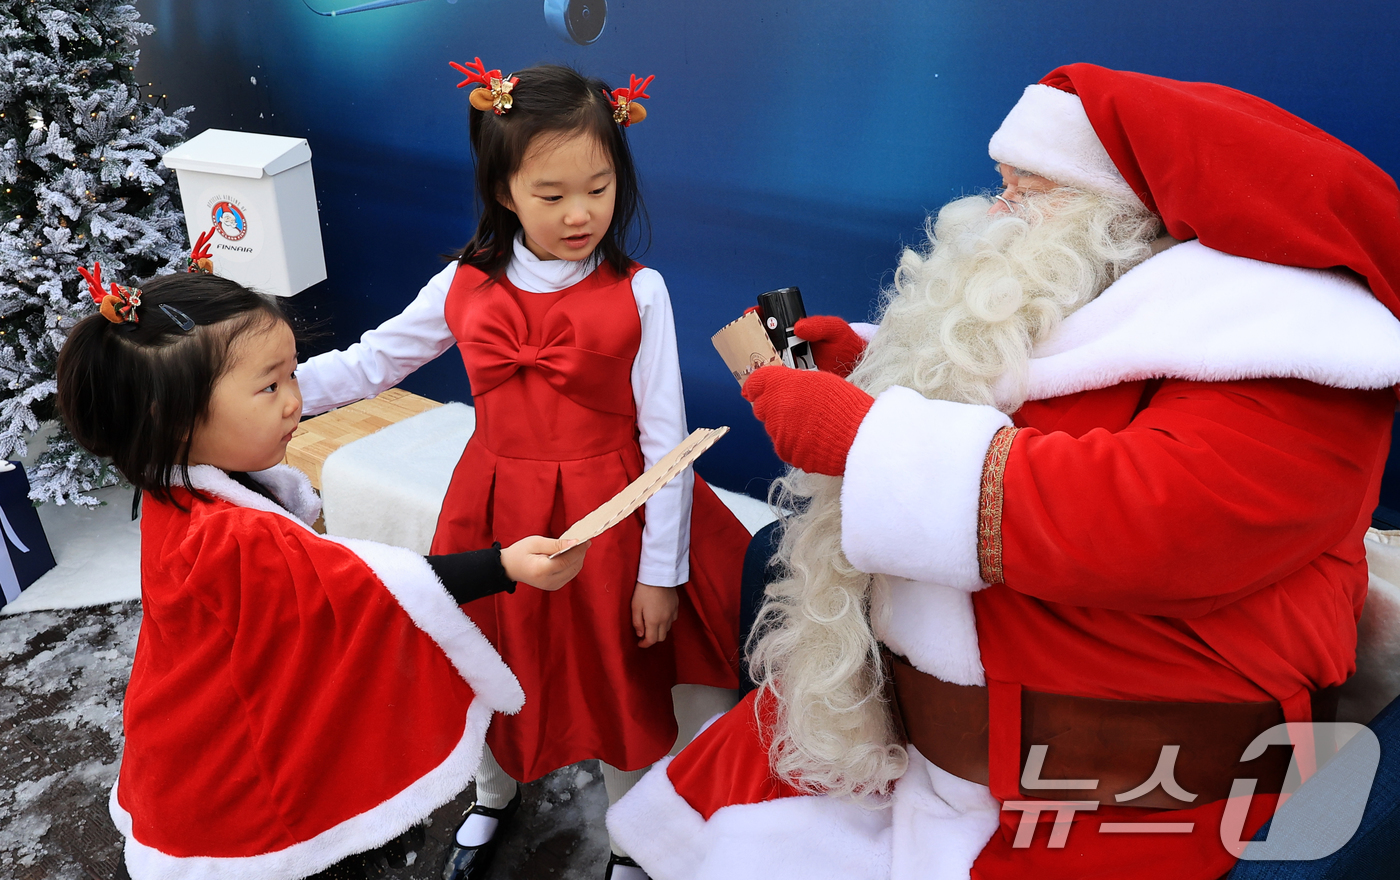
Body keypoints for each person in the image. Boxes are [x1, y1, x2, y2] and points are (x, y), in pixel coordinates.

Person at [607, 64, 1400, 880]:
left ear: (1121, 213)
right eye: (1004, 185)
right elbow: (1045, 391)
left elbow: (1161, 519)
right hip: (912, 758)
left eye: (1028, 190)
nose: (997, 212)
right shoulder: (1113, 283)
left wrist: (867, 436)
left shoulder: (1296, 349)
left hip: (1117, 807)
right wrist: (872, 369)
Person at [294, 60, 749, 880]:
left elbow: (668, 444)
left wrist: (659, 572)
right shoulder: (464, 282)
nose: (581, 214)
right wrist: (275, 395)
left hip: (610, 516)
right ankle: (492, 793)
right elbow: (370, 365)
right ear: (505, 190)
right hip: (494, 507)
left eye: (600, 188)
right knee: (492, 659)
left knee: (617, 674)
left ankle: (629, 836)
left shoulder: (641, 292)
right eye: (552, 194)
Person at [56, 265, 589, 879]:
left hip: (188, 732)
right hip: (238, 775)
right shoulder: (229, 535)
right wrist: (502, 565)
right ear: (173, 418)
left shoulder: (177, 483)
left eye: (291, 374)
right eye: (270, 387)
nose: (295, 399)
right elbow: (364, 591)